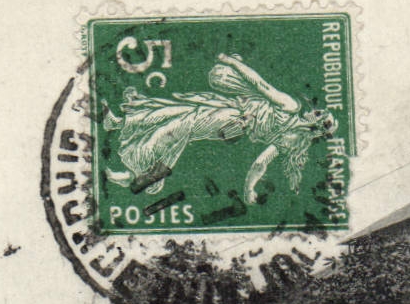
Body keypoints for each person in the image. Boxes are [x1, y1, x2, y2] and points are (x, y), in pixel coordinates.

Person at [101, 52, 338, 205]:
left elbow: (260, 84)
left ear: (316, 124)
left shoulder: (291, 106)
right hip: (229, 109)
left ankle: (137, 176)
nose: (312, 110)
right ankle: (120, 124)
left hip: (230, 118)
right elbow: (260, 164)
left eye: (317, 114)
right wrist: (249, 189)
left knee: (183, 125)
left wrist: (232, 61)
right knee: (178, 110)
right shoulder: (290, 139)